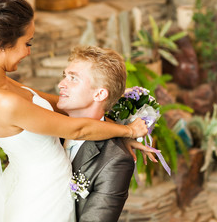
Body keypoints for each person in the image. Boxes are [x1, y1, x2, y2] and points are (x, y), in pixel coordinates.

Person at [0, 0, 149, 222]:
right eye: (27, 42)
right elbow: (77, 131)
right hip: (43, 193)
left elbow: (56, 104)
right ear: (3, 44)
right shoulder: (4, 102)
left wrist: (112, 108)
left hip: (30, 180)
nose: (29, 51)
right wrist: (128, 131)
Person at [58, 46, 157, 222]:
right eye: (64, 76)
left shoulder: (115, 159)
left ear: (100, 93)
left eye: (73, 78)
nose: (61, 84)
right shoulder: (48, 127)